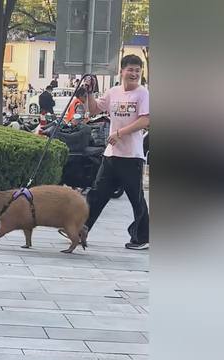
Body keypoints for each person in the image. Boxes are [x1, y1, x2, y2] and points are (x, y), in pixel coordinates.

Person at [79, 54, 150, 250]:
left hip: (131, 156)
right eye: (131, 69)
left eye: (138, 70)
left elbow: (146, 120)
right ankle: (80, 227)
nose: (134, 73)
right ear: (122, 71)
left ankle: (142, 237)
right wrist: (89, 92)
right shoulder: (113, 92)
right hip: (111, 154)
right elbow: (93, 110)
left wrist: (119, 133)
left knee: (136, 198)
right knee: (96, 194)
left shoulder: (143, 94)